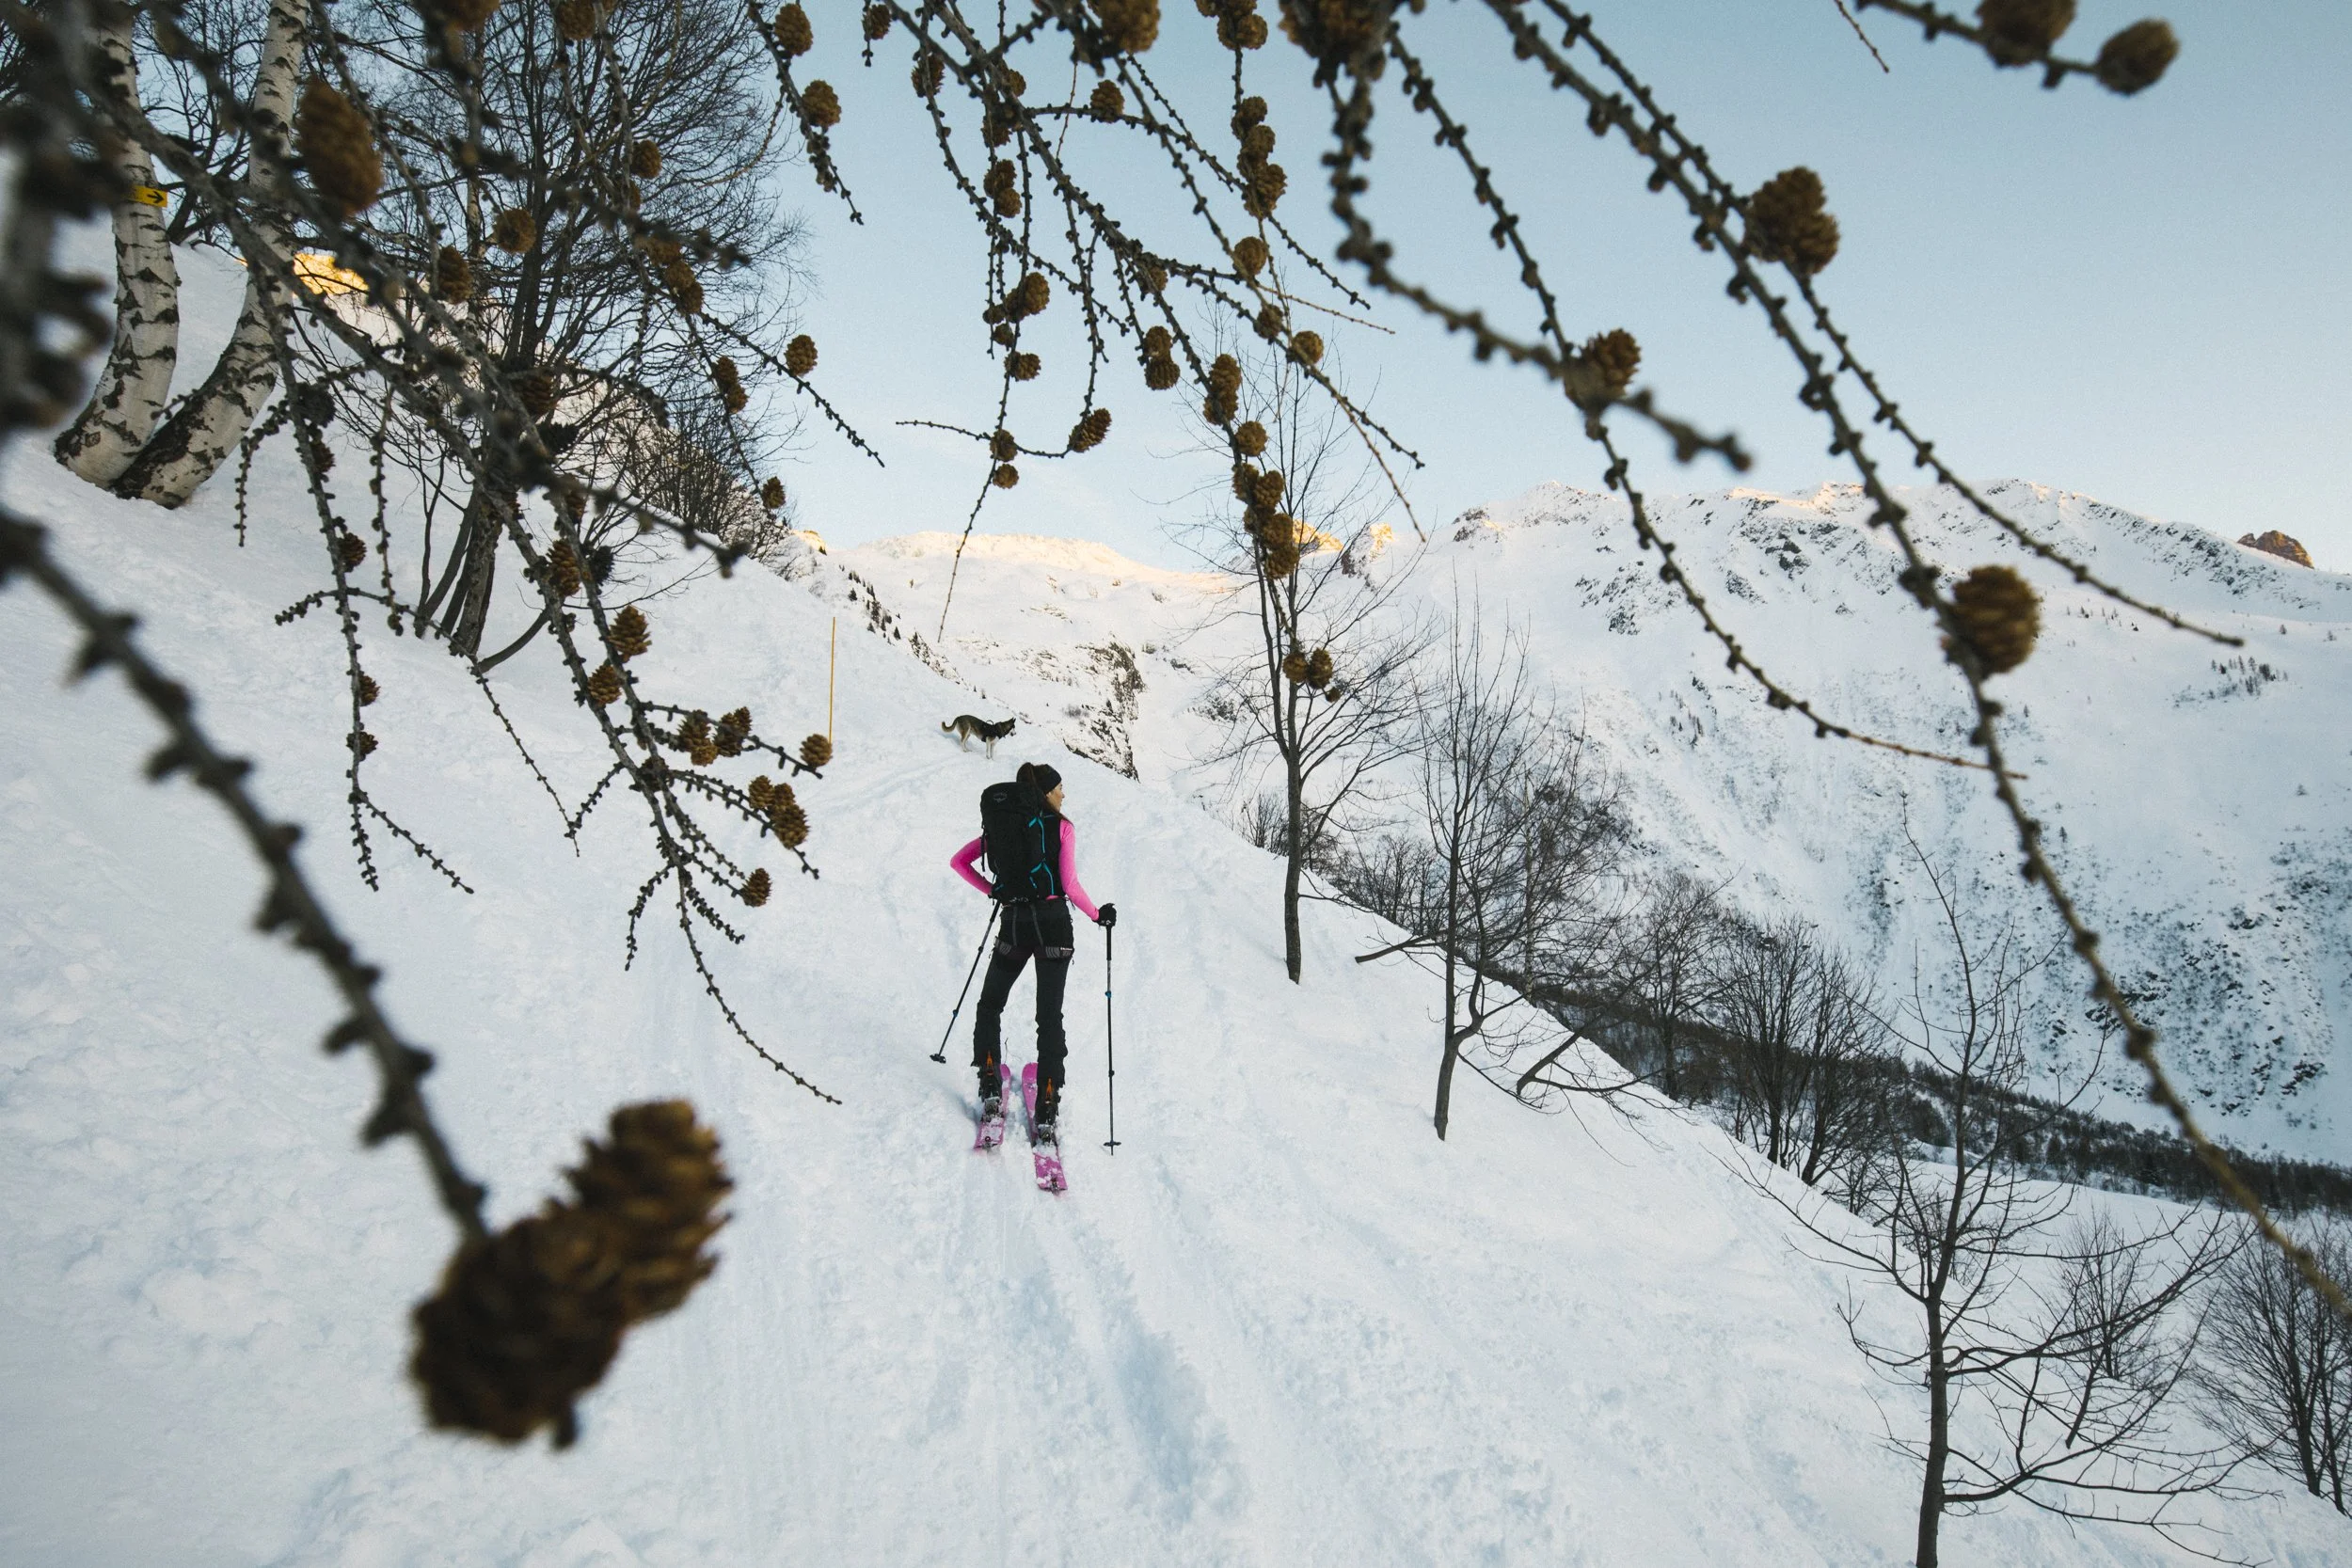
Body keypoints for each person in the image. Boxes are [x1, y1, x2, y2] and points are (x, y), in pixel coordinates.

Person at [949, 762, 1115, 1138]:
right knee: (1049, 1015)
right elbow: (1069, 884)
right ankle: (1047, 1106)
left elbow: (959, 862)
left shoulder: (1005, 826)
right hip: (1055, 926)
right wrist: (1097, 915)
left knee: (990, 1004)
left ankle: (991, 1087)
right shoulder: (1063, 827)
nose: (1063, 794)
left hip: (1016, 923)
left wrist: (994, 891)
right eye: (1059, 788)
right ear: (1046, 792)